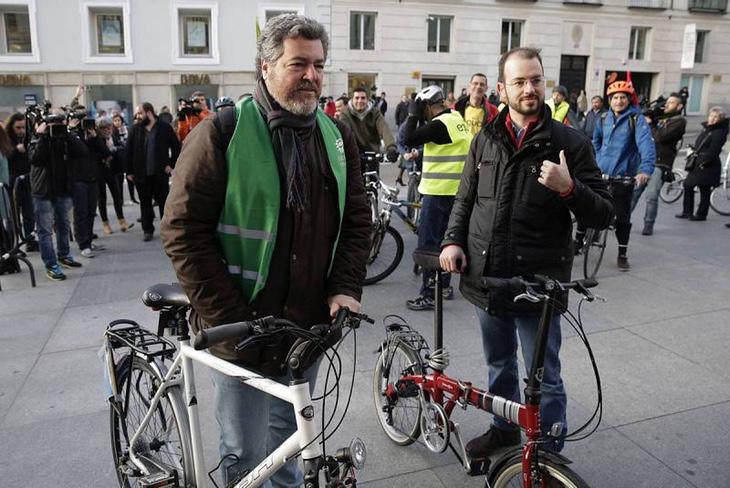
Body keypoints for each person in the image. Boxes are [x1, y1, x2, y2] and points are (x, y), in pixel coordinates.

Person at [160, 14, 371, 487]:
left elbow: (358, 220)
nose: (312, 76)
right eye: (299, 64)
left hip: (307, 328)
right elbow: (182, 230)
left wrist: (344, 288)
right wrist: (232, 319)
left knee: (290, 444)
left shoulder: (337, 137)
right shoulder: (221, 133)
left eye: (318, 65)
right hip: (239, 332)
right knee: (246, 454)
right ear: (266, 65)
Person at [439, 46, 613, 458]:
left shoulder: (569, 142)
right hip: (486, 276)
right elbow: (465, 199)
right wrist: (451, 240)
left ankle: (549, 451)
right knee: (499, 365)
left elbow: (604, 214)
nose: (529, 88)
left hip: (538, 284)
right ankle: (504, 431)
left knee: (545, 375)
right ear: (502, 88)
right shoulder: (485, 137)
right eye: (519, 81)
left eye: (535, 80)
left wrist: (569, 189)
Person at [401, 85, 472, 310]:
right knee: (445, 243)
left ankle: (429, 294)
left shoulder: (439, 124)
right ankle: (444, 286)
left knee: (429, 246)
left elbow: (407, 137)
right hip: (455, 192)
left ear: (428, 106)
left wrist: (412, 114)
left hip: (439, 192)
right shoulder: (455, 119)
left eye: (422, 110)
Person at [591, 80, 655, 270]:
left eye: (622, 97)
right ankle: (581, 240)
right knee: (589, 205)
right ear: (609, 100)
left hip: (623, 176)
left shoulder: (636, 120)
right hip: (602, 174)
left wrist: (645, 170)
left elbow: (646, 145)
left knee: (622, 218)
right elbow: (596, 140)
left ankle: (622, 252)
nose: (618, 101)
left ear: (628, 100)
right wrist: (597, 159)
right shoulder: (603, 119)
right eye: (615, 98)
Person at [28, 109, 88, 280]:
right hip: (44, 192)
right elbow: (36, 159)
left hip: (63, 189)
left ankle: (64, 256)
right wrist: (43, 137)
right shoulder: (37, 138)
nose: (57, 127)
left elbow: (83, 151)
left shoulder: (66, 138)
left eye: (60, 123)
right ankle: (51, 264)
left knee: (63, 225)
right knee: (45, 231)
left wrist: (67, 134)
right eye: (54, 124)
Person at [125, 103, 180, 241]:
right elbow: (128, 151)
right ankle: (147, 230)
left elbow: (176, 147)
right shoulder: (135, 129)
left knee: (163, 203)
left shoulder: (164, 128)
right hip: (141, 174)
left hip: (160, 173)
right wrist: (129, 171)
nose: (137, 116)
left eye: (140, 113)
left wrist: (171, 164)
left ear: (149, 113)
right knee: (145, 203)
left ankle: (166, 230)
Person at [632, 93, 686, 235]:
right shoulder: (663, 118)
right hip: (646, 161)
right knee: (634, 193)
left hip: (660, 164)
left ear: (679, 106)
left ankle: (648, 224)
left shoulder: (679, 121)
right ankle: (620, 219)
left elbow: (660, 137)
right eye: (667, 102)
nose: (667, 105)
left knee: (651, 196)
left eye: (672, 102)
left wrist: (651, 123)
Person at [677, 107, 729, 221]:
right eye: (711, 116)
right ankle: (689, 212)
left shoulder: (719, 132)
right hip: (700, 162)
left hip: (707, 164)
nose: (712, 119)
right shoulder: (707, 129)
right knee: (691, 186)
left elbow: (714, 150)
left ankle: (700, 214)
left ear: (720, 119)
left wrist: (703, 161)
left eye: (716, 117)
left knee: (701, 188)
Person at [337, 86, 398, 164]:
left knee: (373, 175)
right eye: (357, 98)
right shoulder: (345, 114)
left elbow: (384, 128)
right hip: (354, 154)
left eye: (363, 98)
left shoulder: (375, 113)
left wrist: (391, 148)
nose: (360, 101)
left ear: (367, 99)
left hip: (372, 153)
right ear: (352, 99)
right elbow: (346, 133)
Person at [4, 112, 37, 251]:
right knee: (13, 215)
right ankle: (14, 243)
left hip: (27, 179)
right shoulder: (6, 139)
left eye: (23, 127)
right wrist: (15, 151)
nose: (21, 131)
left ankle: (30, 240)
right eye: (18, 128)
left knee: (29, 212)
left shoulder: (28, 137)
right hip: (12, 181)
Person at [96, 117, 132, 235]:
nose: (107, 130)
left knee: (117, 196)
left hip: (113, 170)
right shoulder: (97, 139)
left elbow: (122, 147)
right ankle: (105, 224)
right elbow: (99, 153)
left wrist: (114, 149)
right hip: (100, 171)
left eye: (109, 127)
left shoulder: (113, 137)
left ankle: (122, 221)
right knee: (102, 198)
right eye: (104, 128)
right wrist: (109, 151)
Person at [454, 73, 500, 137]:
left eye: (482, 84)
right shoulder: (456, 108)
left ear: (486, 88)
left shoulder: (493, 111)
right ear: (469, 86)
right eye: (475, 83)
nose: (478, 87)